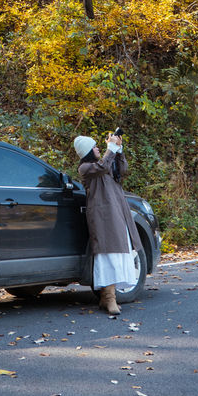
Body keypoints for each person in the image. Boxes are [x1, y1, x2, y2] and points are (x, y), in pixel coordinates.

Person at [74, 131, 142, 315]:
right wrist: (110, 148)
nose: (98, 148)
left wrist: (118, 150)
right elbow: (103, 166)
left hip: (117, 211)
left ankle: (106, 298)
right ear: (87, 151)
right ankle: (110, 298)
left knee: (119, 252)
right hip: (103, 215)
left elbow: (122, 170)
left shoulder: (102, 163)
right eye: (94, 146)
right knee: (108, 254)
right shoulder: (86, 168)